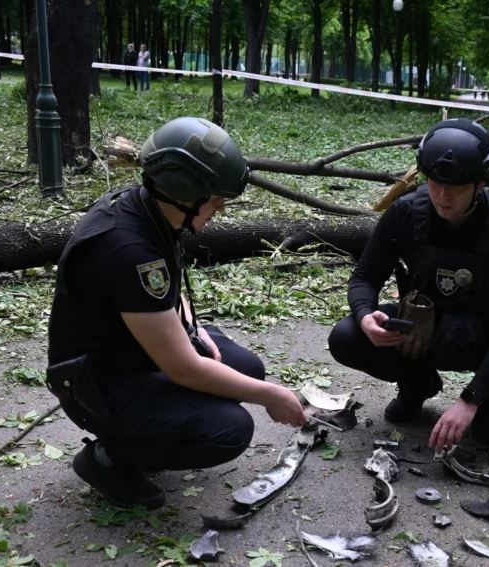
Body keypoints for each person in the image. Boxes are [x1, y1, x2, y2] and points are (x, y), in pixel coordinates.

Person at [46, 117, 308, 509]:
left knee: (245, 369)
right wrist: (273, 397)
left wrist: (190, 325)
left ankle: (151, 431)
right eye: (216, 199)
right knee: (230, 429)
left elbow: (163, 288)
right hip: (95, 383)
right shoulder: (129, 249)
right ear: (186, 192)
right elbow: (182, 368)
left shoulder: (150, 210)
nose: (219, 209)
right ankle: (110, 458)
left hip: (126, 352)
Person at [328, 118, 489, 452]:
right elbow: (365, 278)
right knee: (346, 336)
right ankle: (416, 386)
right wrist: (366, 315)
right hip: (418, 331)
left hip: (483, 336)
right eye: (434, 182)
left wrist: (471, 399)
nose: (442, 195)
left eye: (456, 187)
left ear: (480, 185)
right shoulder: (406, 212)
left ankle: (485, 404)